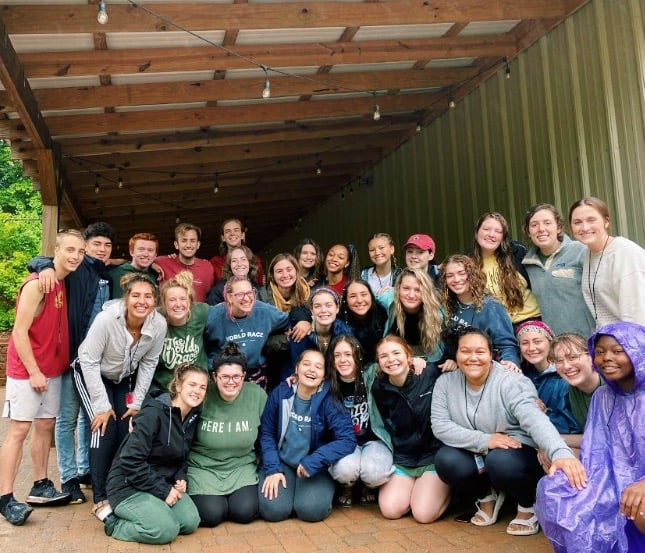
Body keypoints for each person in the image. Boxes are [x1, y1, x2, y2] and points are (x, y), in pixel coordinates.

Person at [431, 328, 586, 536]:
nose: (473, 358)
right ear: (456, 354)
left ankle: (528, 503)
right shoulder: (445, 383)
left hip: (515, 451)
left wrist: (560, 453)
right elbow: (440, 425)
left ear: (491, 354)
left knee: (501, 461)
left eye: (480, 351)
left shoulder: (511, 381)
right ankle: (486, 495)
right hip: (475, 449)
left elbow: (534, 418)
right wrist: (486, 440)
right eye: (465, 351)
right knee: (446, 460)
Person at [0, 230, 86, 525]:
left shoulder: (60, 279)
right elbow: (19, 332)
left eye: (80, 251)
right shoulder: (38, 284)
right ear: (56, 251)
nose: (76, 256)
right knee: (18, 430)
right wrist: (34, 371)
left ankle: (40, 485)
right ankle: (5, 498)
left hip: (52, 370)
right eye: (70, 250)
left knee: (45, 425)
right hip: (28, 371)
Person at [28, 221, 117, 503]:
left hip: (96, 360)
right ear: (84, 247)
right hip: (72, 357)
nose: (101, 249)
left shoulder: (105, 273)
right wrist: (43, 266)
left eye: (107, 245)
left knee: (87, 417)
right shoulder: (74, 269)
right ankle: (68, 479)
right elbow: (43, 260)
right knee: (67, 417)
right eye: (95, 244)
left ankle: (83, 469)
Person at [537, 322, 645, 552]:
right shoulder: (603, 396)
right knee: (555, 487)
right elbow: (595, 448)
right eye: (600, 352)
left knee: (641, 510)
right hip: (612, 475)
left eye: (618, 351)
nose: (607, 358)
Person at [74, 273, 167, 520]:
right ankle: (100, 498)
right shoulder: (106, 320)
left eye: (148, 296)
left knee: (127, 428)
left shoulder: (158, 324)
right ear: (126, 297)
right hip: (90, 372)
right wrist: (101, 406)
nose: (141, 301)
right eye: (136, 295)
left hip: (123, 377)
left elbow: (149, 362)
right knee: (104, 428)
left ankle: (119, 487)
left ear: (155, 301)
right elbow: (88, 361)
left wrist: (136, 402)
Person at [102, 363, 207, 543]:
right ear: (178, 386)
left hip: (159, 481)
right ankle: (114, 524)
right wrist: (164, 491)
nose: (197, 391)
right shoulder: (153, 413)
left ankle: (154, 511)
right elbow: (130, 460)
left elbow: (181, 455)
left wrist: (181, 476)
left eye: (202, 387)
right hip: (128, 485)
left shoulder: (192, 417)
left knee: (189, 522)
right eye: (192, 384)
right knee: (165, 530)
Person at [257, 349, 356, 522]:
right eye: (306, 364)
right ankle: (290, 492)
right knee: (273, 511)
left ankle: (310, 494)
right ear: (297, 368)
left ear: (324, 376)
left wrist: (316, 460)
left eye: (318, 367)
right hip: (283, 462)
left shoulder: (330, 400)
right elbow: (267, 433)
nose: (311, 370)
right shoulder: (281, 393)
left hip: (314, 465)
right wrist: (272, 468)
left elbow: (347, 439)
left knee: (311, 511)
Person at [370, 335, 449, 523]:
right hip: (404, 458)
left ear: (408, 355)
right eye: (384, 356)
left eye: (396, 353)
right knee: (390, 510)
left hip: (433, 457)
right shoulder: (379, 388)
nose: (391, 360)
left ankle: (442, 492)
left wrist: (452, 363)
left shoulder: (429, 373)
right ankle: (415, 491)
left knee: (423, 514)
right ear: (378, 362)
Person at [187, 343, 267, 527]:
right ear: (214, 376)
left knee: (244, 512)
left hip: (241, 467)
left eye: (236, 376)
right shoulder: (202, 394)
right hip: (203, 468)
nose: (231, 382)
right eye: (224, 376)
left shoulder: (257, 395)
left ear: (244, 376)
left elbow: (268, 434)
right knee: (212, 514)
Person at [327, 335, 393, 507]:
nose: (343, 360)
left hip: (374, 439)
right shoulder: (329, 383)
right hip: (346, 442)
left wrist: (415, 361)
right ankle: (347, 487)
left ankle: (368, 486)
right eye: (337, 355)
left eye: (348, 354)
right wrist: (294, 377)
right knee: (345, 470)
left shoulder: (371, 374)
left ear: (357, 356)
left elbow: (393, 363)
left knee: (374, 474)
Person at [568, 197, 645, 327]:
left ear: (606, 222)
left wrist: (627, 339)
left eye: (591, 220)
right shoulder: (590, 252)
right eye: (577, 222)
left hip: (632, 336)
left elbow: (636, 314)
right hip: (609, 336)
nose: (584, 227)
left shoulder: (624, 253)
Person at [521, 204, 595, 336]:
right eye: (534, 225)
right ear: (528, 232)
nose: (541, 229)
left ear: (558, 227)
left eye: (547, 223)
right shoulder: (527, 264)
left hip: (587, 339)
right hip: (554, 343)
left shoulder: (580, 251)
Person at [204, 277, 289, 390]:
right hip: (224, 373)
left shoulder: (264, 311)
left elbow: (290, 321)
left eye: (250, 293)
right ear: (229, 297)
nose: (247, 298)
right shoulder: (214, 316)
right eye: (240, 294)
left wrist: (303, 321)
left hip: (254, 372)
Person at [440, 254, 520, 370]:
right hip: (458, 370)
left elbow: (506, 345)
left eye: (462, 273)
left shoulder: (491, 307)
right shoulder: (446, 306)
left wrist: (510, 362)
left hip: (485, 369)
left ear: (472, 275)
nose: (456, 279)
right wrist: (452, 359)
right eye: (450, 276)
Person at [471, 212, 541, 327]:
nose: (491, 234)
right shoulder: (468, 262)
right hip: (497, 325)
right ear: (477, 232)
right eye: (486, 229)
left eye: (498, 231)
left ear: (503, 237)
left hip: (529, 319)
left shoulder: (517, 253)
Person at [516, 321, 581, 436]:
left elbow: (574, 426)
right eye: (525, 343)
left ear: (550, 343)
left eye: (537, 341)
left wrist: (544, 413)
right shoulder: (521, 376)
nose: (531, 348)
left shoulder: (566, 377)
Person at [258, 253, 311, 383]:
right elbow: (259, 338)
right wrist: (288, 339)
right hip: (274, 358)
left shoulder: (308, 293)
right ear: (272, 275)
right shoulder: (262, 298)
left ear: (296, 271)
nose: (285, 275)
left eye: (289, 269)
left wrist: (306, 323)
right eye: (279, 271)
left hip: (304, 354)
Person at [153, 271, 209, 394]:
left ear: (190, 302)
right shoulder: (154, 318)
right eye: (172, 300)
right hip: (165, 390)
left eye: (183, 299)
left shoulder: (201, 312)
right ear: (163, 303)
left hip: (196, 389)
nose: (178, 304)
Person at [379, 267, 446, 365]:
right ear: (398, 288)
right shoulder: (386, 301)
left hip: (429, 359)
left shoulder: (436, 310)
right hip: (394, 360)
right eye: (406, 288)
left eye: (418, 290)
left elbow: (447, 341)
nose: (411, 295)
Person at [549, 332, 602, 432]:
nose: (566, 366)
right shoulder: (570, 390)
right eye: (559, 361)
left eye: (573, 357)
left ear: (592, 356)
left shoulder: (613, 386)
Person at [290, 287, 353, 365]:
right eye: (317, 306)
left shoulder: (345, 332)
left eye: (328, 305)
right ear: (312, 310)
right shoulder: (300, 331)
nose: (323, 310)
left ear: (337, 308)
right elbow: (297, 364)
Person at [155, 223, 214, 303]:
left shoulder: (207, 267)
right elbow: (142, 262)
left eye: (192, 241)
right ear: (176, 244)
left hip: (198, 311)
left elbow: (210, 297)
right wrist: (152, 265)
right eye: (184, 240)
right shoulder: (162, 263)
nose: (188, 245)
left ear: (198, 244)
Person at [341, 279, 388, 364]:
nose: (359, 300)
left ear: (371, 296)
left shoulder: (382, 314)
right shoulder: (339, 322)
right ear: (346, 300)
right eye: (353, 296)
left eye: (364, 294)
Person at [210, 218, 265, 286]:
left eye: (236, 230)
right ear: (223, 238)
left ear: (242, 235)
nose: (232, 233)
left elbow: (259, 286)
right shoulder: (215, 262)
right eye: (227, 231)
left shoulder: (255, 260)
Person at [110, 232, 159, 298]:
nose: (146, 254)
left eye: (150, 250)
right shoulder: (114, 274)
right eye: (141, 249)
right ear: (131, 252)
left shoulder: (157, 276)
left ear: (155, 255)